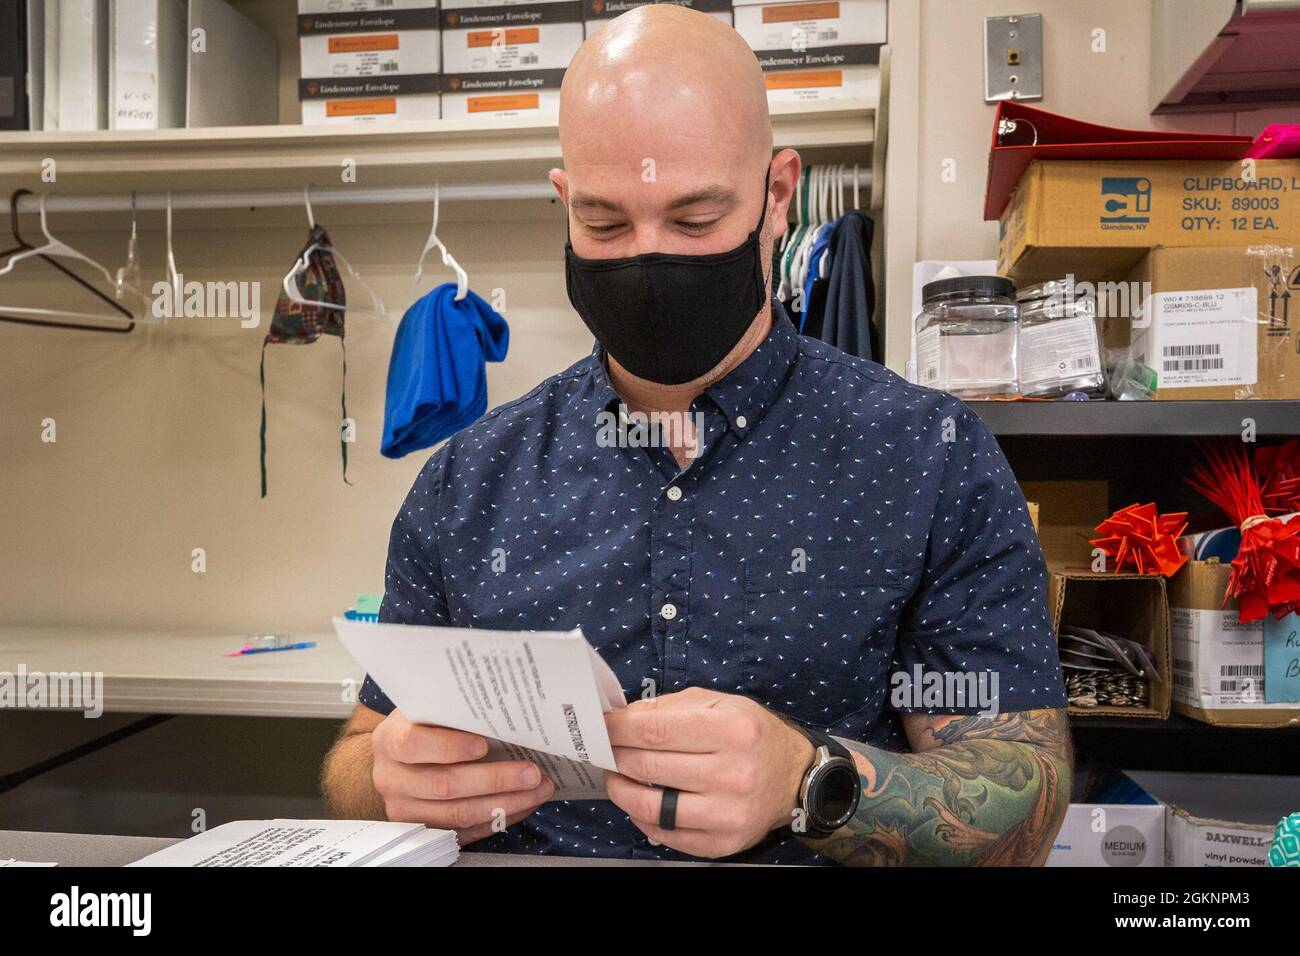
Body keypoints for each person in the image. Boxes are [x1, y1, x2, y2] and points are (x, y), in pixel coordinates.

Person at [322, 5, 1072, 865]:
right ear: (565, 203)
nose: (649, 261)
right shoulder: (467, 483)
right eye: (605, 224)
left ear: (777, 196)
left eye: (695, 220)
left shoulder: (925, 458)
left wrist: (811, 781)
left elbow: (1027, 803)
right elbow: (357, 757)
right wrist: (387, 777)